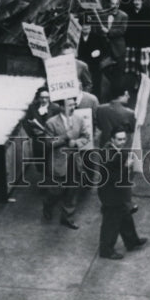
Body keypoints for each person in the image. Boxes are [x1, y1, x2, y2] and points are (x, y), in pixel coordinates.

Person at [96, 128, 148, 259]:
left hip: (117, 192)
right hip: (111, 194)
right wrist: (126, 167)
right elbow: (113, 177)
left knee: (125, 216)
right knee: (111, 223)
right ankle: (106, 250)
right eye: (119, 139)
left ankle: (132, 241)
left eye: (124, 139)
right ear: (112, 139)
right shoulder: (108, 154)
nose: (122, 142)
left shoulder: (115, 150)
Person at [41, 96, 91, 229]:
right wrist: (65, 137)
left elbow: (86, 136)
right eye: (69, 105)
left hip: (74, 162)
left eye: (74, 105)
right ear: (62, 107)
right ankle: (47, 204)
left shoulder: (78, 120)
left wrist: (77, 142)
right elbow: (48, 143)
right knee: (56, 191)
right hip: (58, 162)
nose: (73, 107)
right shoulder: (51, 123)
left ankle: (67, 217)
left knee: (72, 191)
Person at [22, 86, 60, 173]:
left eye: (46, 97)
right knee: (39, 163)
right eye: (42, 97)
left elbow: (59, 124)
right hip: (37, 140)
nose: (44, 100)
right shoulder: (32, 108)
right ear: (38, 98)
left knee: (51, 163)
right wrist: (32, 133)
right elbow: (25, 122)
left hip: (51, 140)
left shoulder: (55, 108)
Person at [95, 78, 136, 146]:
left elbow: (99, 126)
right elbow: (132, 130)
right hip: (121, 147)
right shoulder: (129, 113)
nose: (128, 97)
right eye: (126, 95)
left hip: (104, 145)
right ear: (120, 96)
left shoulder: (100, 109)